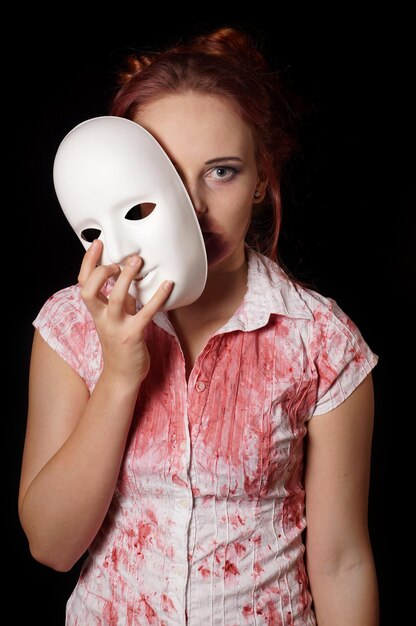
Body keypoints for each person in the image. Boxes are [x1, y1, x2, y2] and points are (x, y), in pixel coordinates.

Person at [18, 27, 379, 625]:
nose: (193, 208)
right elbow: (52, 547)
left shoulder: (321, 340)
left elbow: (342, 561)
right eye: (165, 179)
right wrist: (118, 375)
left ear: (262, 177)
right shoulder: (70, 325)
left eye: (221, 171)